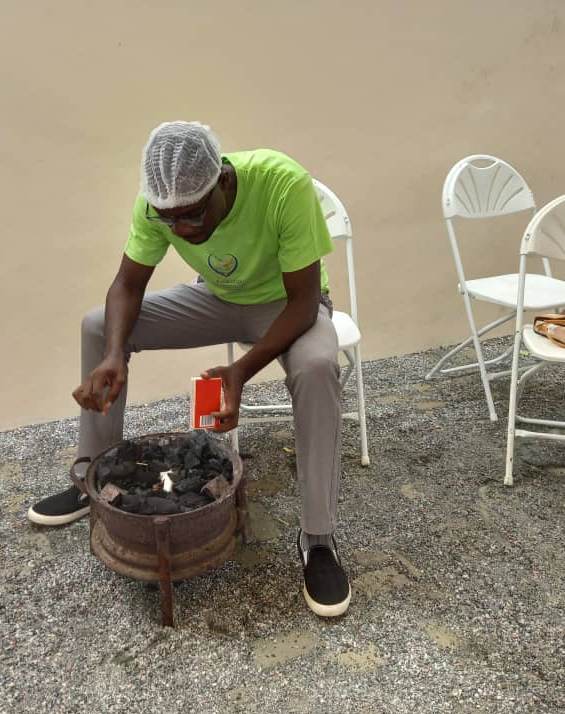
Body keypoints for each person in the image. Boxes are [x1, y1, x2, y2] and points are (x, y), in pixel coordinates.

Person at [29, 121, 350, 616]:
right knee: (99, 326)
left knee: (317, 366)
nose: (181, 230)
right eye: (168, 220)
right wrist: (114, 353)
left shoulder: (282, 182)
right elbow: (126, 286)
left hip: (286, 305)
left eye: (193, 215)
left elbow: (305, 302)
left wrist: (241, 370)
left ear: (222, 180)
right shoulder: (158, 206)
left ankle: (319, 537)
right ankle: (88, 479)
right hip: (217, 298)